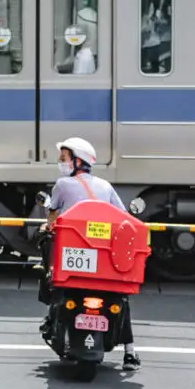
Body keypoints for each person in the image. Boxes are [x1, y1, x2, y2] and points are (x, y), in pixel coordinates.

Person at [41, 136, 140, 370]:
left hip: (74, 262)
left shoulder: (62, 185)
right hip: (106, 262)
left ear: (77, 161)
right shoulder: (105, 186)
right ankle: (130, 352)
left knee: (50, 275)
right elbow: (124, 218)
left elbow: (52, 217)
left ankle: (50, 321)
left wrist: (47, 226)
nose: (60, 162)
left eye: (63, 158)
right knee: (121, 299)